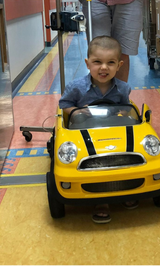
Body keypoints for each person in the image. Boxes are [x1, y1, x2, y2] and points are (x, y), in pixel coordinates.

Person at [58, 35, 135, 224]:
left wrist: (122, 115)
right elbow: (63, 104)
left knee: (121, 159)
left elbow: (126, 108)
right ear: (87, 63)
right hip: (84, 133)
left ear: (119, 65)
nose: (103, 68)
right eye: (97, 62)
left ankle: (126, 190)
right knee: (96, 166)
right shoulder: (76, 88)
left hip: (113, 133)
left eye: (111, 63)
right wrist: (76, 111)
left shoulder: (123, 88)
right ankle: (102, 202)